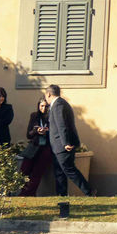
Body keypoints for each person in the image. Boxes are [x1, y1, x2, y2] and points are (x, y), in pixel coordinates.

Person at [45, 84, 90, 214]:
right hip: (58, 145)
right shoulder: (60, 103)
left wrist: (66, 143)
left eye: (46, 96)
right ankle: (62, 199)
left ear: (48, 94)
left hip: (63, 145)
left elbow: (62, 125)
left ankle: (89, 191)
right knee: (59, 173)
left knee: (69, 170)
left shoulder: (58, 104)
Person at [18, 98, 54, 196]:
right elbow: (28, 135)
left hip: (46, 148)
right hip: (34, 146)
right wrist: (36, 131)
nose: (44, 108)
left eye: (46, 106)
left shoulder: (52, 117)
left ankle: (26, 195)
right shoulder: (34, 116)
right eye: (42, 106)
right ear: (38, 106)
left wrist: (47, 131)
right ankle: (26, 193)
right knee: (24, 170)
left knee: (37, 174)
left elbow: (55, 133)